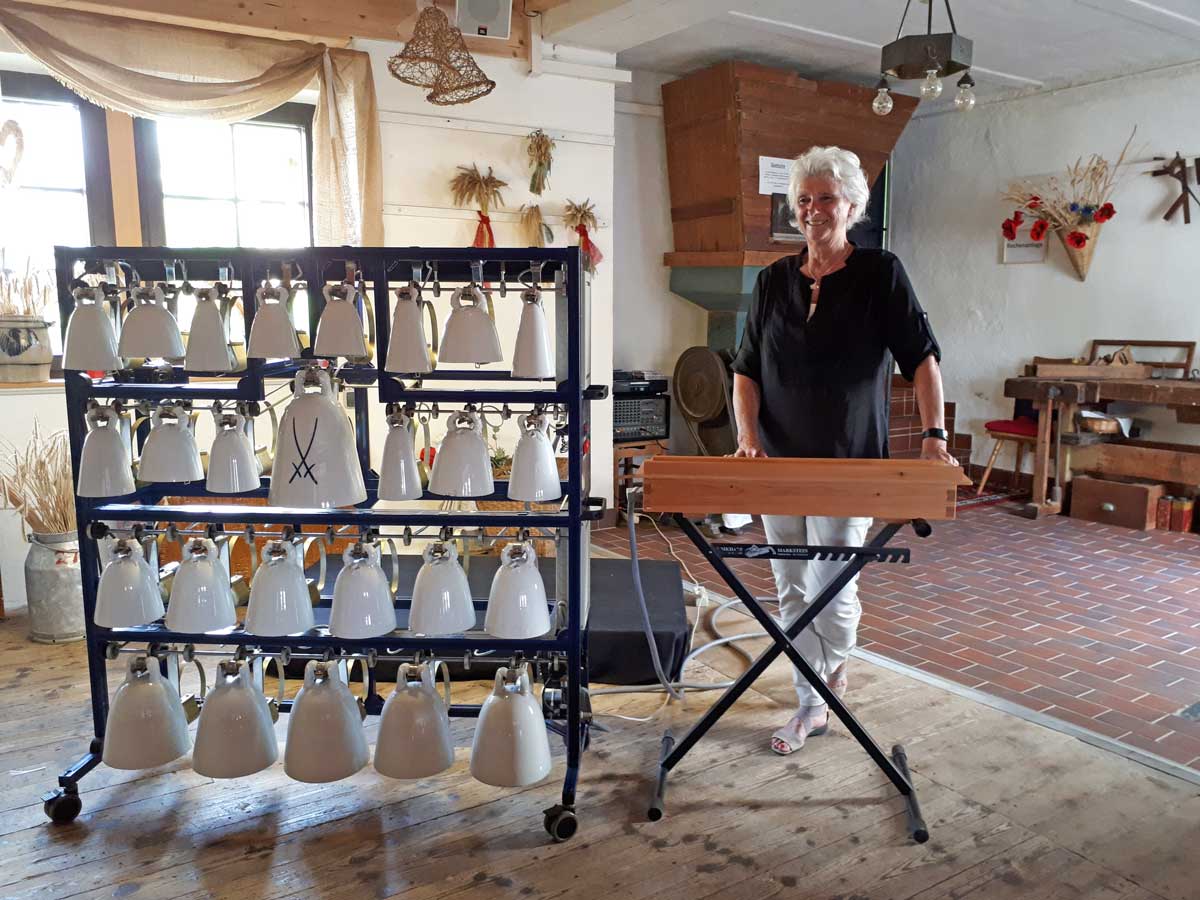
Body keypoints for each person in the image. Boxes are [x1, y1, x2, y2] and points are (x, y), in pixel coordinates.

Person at [730, 145, 959, 755]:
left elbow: (922, 359)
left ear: (852, 206)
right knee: (790, 587)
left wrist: (934, 438)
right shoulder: (772, 281)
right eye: (804, 200)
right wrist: (747, 439)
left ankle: (830, 669)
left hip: (850, 461)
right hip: (778, 461)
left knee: (831, 589)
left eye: (826, 198)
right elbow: (746, 369)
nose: (813, 210)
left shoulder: (880, 273)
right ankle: (813, 704)